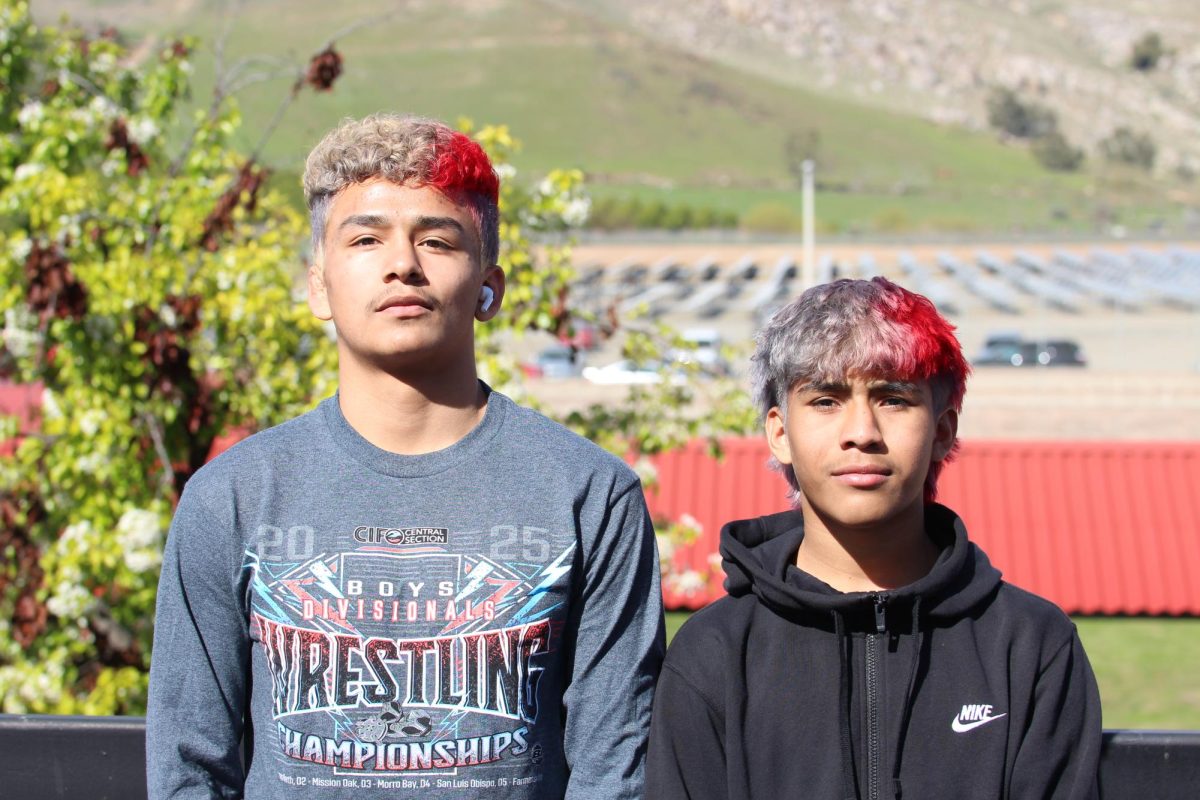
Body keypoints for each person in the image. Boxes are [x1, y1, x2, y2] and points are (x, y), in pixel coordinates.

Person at [147, 114, 664, 799]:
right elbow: (187, 765)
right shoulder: (233, 498)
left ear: (490, 287)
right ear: (318, 285)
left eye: (437, 239)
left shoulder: (591, 497)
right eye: (365, 238)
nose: (402, 264)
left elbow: (613, 775)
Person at [646, 278, 1101, 799]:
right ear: (779, 432)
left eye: (893, 399)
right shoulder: (716, 654)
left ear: (943, 431)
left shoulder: (1030, 646)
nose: (861, 430)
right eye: (825, 400)